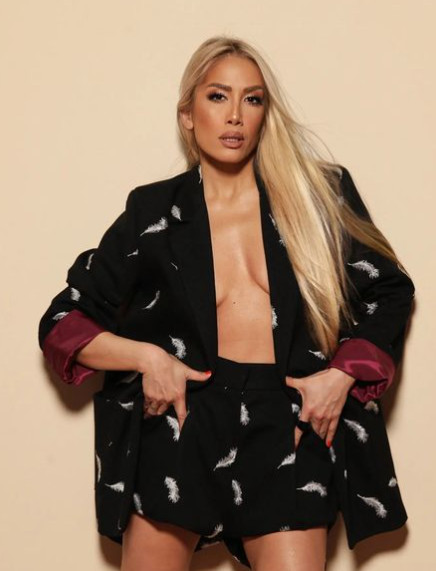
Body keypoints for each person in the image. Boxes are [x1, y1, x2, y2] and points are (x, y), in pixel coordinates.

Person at [38, 35, 415, 571]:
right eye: (217, 96)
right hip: (181, 420)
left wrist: (340, 376)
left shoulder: (316, 195)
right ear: (187, 115)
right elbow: (63, 321)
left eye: (252, 99)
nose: (235, 115)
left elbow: (389, 289)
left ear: (264, 114)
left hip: (287, 420)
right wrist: (148, 359)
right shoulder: (154, 212)